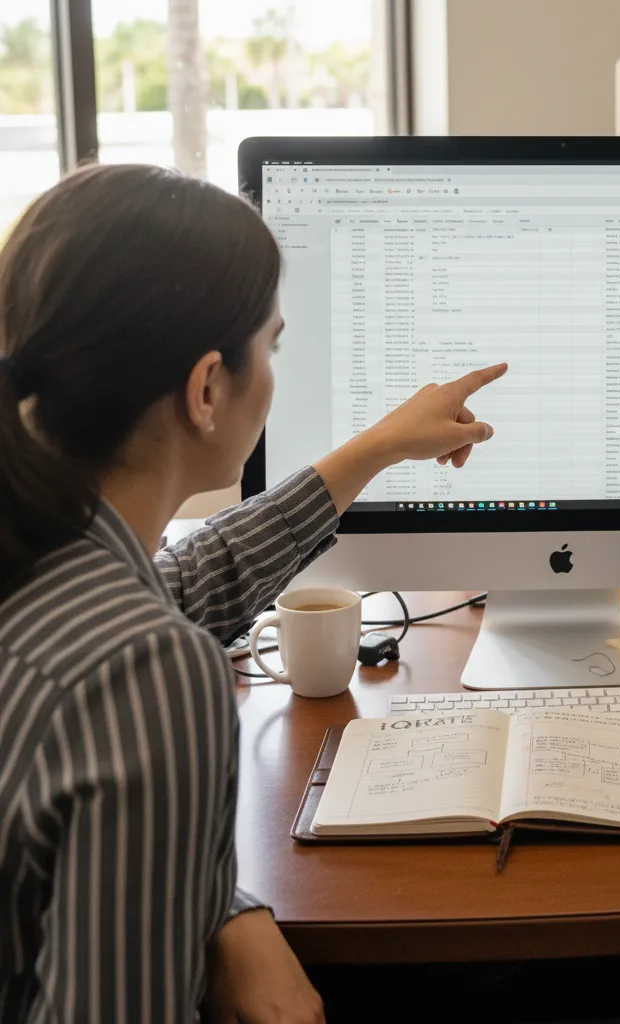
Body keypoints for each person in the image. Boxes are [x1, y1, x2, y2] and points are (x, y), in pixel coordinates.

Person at [0, 163, 507, 1024]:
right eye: (271, 346)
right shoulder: (143, 670)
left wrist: (217, 903)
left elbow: (178, 586)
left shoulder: (41, 550)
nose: (273, 368)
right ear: (206, 390)